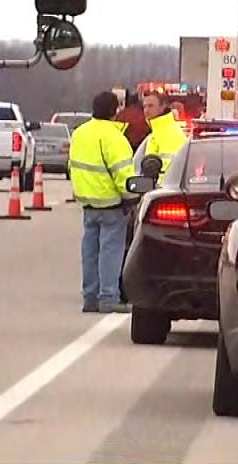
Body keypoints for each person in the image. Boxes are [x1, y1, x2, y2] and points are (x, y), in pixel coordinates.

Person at [69, 91, 139, 315]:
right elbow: (123, 174)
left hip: (88, 202)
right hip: (111, 203)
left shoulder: (80, 133)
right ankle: (109, 297)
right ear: (114, 110)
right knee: (111, 251)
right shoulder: (114, 137)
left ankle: (90, 297)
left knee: (89, 250)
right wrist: (131, 198)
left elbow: (72, 166)